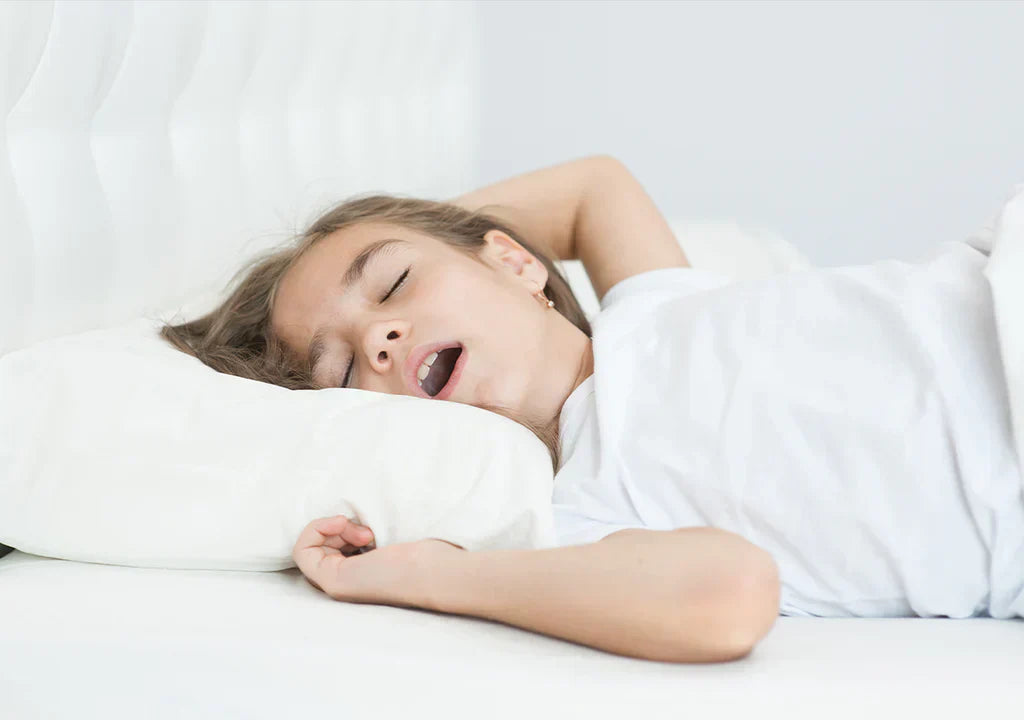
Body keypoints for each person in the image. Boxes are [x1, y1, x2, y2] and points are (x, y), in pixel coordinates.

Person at [161, 155, 1024, 663]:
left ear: (514, 262)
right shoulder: (575, 518)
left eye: (393, 282)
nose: (382, 336)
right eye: (344, 365)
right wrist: (428, 574)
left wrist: (436, 233)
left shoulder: (654, 309)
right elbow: (732, 594)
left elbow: (592, 187)